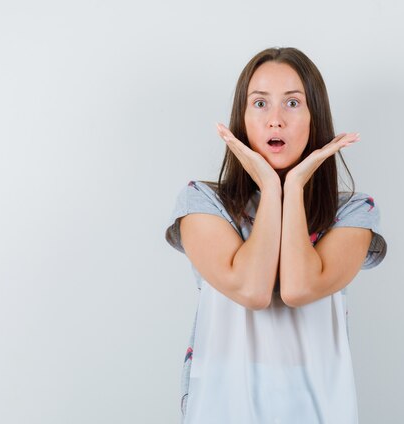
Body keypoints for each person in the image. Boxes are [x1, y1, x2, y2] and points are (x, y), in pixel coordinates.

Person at [165, 47, 387, 424]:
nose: (276, 120)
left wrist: (295, 186)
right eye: (260, 103)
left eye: (293, 103)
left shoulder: (353, 212)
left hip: (317, 408)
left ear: (315, 117)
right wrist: (271, 187)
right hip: (223, 406)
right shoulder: (202, 202)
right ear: (242, 117)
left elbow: (299, 288)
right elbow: (251, 290)